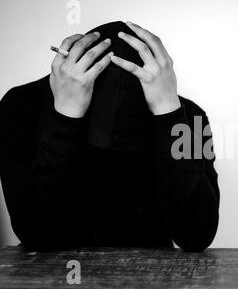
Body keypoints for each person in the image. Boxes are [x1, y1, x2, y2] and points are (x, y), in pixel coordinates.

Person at [0, 21, 220, 252]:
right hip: (47, 275)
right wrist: (65, 116)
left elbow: (197, 235)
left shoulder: (190, 117)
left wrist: (169, 113)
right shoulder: (20, 105)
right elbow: (35, 233)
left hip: (151, 275)